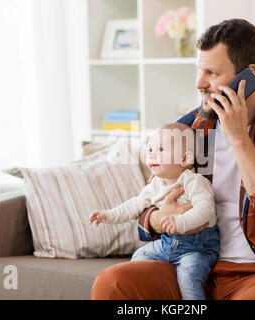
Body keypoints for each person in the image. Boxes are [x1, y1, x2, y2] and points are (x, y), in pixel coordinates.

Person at [92, 19, 255, 300]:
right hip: (189, 262)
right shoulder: (190, 127)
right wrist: (162, 218)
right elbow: (146, 214)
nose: (199, 84)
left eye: (211, 72)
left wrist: (238, 138)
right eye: (199, 71)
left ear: (248, 76)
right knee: (111, 283)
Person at [89, 123, 219, 300]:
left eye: (161, 149)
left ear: (184, 159)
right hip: (167, 244)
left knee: (188, 279)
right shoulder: (156, 183)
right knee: (139, 256)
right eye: (150, 149)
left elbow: (206, 209)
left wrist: (180, 221)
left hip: (197, 249)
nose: (152, 154)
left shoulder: (194, 181)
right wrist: (109, 215)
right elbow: (135, 205)